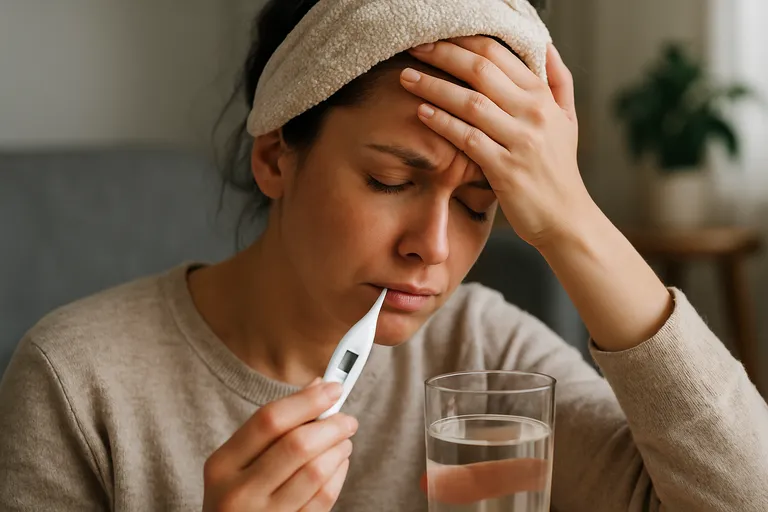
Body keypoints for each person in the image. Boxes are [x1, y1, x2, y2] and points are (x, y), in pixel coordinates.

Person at [1, 0, 767, 510]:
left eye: (478, 205)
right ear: (275, 157)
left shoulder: (484, 362)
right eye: (392, 179)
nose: (433, 248)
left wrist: (574, 220)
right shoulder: (80, 383)